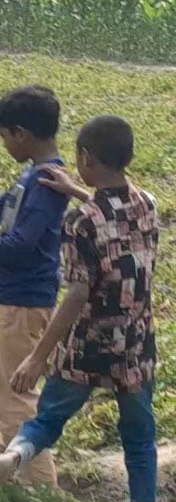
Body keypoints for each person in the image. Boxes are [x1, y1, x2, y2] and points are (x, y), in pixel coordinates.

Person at [0, 117, 158, 502]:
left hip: (89, 344)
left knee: (48, 420)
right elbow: (115, 216)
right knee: (140, 441)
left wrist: (38, 357)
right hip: (135, 342)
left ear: (85, 158)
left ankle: (14, 457)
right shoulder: (147, 204)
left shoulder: (81, 220)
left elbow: (76, 294)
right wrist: (75, 190)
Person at [0, 87, 67, 487]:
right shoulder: (36, 177)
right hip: (15, 301)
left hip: (21, 304)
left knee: (15, 403)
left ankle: (43, 490)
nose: (5, 144)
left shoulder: (45, 183)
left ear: (22, 134)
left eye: (5, 136)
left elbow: (21, 244)